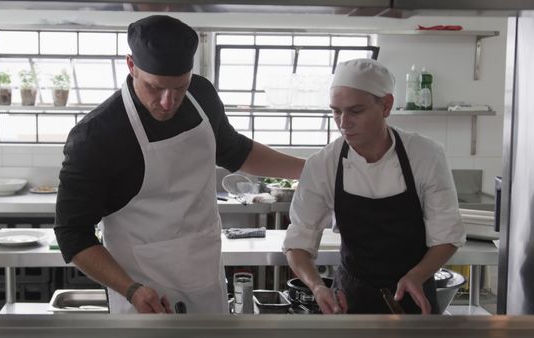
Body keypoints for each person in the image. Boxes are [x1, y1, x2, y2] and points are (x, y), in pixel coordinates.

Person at [55, 15, 304, 314]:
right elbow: (72, 234)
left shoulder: (202, 95)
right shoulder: (95, 136)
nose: (168, 101)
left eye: (179, 87)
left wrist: (312, 169)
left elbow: (235, 151)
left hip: (204, 272)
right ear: (131, 65)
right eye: (155, 87)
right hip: (141, 289)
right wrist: (130, 289)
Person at [283, 58, 465, 315]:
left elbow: (447, 235)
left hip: (413, 291)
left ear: (386, 105)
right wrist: (316, 286)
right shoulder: (323, 164)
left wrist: (418, 275)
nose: (343, 123)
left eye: (355, 111)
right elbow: (298, 243)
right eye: (336, 111)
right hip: (349, 297)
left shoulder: (425, 155)